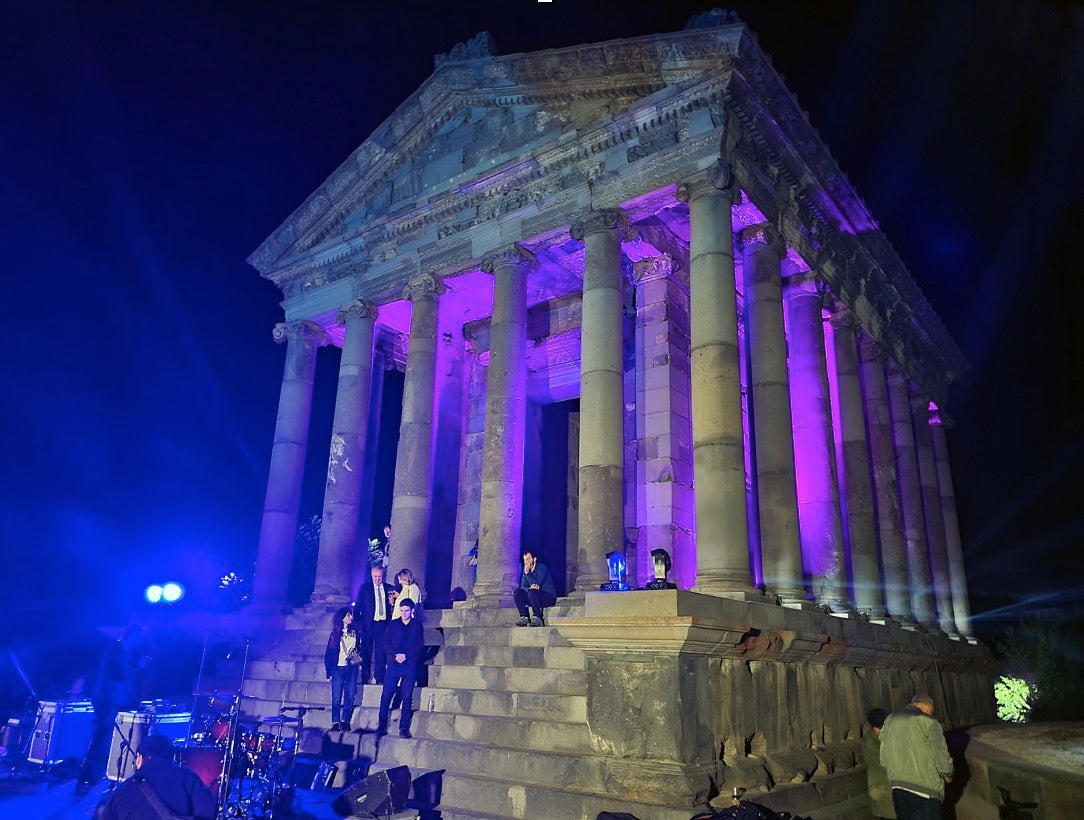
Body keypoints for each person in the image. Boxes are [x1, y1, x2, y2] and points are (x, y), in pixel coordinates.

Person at [78, 624, 154, 791]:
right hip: (111, 701)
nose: (140, 642)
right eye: (139, 638)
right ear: (132, 636)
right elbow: (122, 677)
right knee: (103, 738)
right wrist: (139, 667)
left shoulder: (128, 653)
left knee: (107, 738)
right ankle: (89, 776)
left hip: (119, 700)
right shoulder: (117, 651)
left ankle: (98, 774)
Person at [94, 734, 215, 820]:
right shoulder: (188, 778)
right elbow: (208, 812)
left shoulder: (123, 789)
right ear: (171, 756)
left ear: (139, 758)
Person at [879, 693, 954, 820]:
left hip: (898, 788)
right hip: (925, 790)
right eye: (931, 710)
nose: (931, 713)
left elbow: (884, 760)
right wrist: (948, 774)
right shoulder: (927, 722)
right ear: (928, 706)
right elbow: (942, 756)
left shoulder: (889, 721)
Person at [376, 598, 424, 739]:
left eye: (406, 611)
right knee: (386, 694)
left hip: (409, 664)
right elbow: (385, 642)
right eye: (401, 610)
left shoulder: (417, 626)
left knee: (407, 696)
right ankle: (382, 725)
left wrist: (407, 655)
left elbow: (419, 645)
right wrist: (394, 655)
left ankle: (403, 728)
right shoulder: (393, 624)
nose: (403, 613)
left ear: (412, 611)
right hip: (394, 663)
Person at [355, 565, 395, 685]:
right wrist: (359, 625)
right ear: (371, 576)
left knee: (381, 652)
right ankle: (365, 676)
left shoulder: (389, 588)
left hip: (383, 624)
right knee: (366, 651)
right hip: (368, 624)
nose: (377, 579)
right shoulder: (365, 588)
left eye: (380, 577)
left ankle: (379, 677)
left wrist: (392, 603)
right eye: (375, 577)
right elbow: (358, 607)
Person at [324, 606, 361, 731]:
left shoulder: (355, 632)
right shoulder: (335, 633)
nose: (350, 617)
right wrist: (328, 672)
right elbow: (329, 654)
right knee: (336, 696)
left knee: (350, 694)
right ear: (342, 618)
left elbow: (359, 647)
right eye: (348, 615)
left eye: (350, 615)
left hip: (351, 667)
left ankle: (346, 721)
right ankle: (335, 721)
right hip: (338, 668)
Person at [863, 707, 895, 819]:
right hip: (882, 788)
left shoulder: (887, 737)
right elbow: (884, 763)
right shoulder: (870, 742)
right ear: (876, 728)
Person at [513, 550, 557, 627]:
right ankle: (524, 617)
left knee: (532, 591)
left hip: (548, 597)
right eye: (525, 560)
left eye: (528, 559)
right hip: (534, 597)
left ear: (534, 559)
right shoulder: (526, 571)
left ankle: (537, 618)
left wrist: (528, 574)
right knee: (517, 592)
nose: (526, 562)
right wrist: (529, 587)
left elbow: (536, 584)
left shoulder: (541, 568)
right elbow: (523, 587)